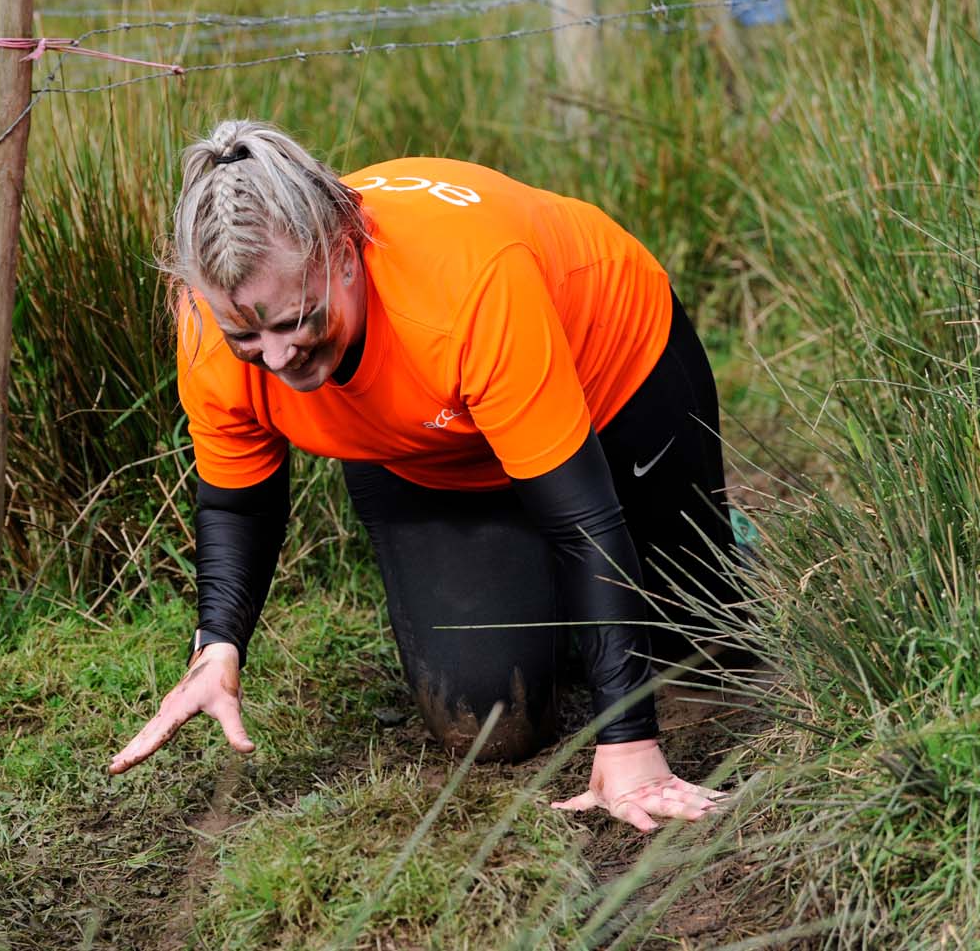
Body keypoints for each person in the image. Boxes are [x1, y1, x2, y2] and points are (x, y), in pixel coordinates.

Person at [108, 120, 742, 832]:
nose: (278, 358)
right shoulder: (207, 324)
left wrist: (629, 743)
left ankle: (692, 547)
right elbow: (239, 505)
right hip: (430, 452)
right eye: (247, 336)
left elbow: (582, 520)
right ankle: (550, 590)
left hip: (614, 381)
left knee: (708, 640)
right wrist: (216, 643)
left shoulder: (467, 285)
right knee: (487, 723)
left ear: (347, 255)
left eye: (295, 320)